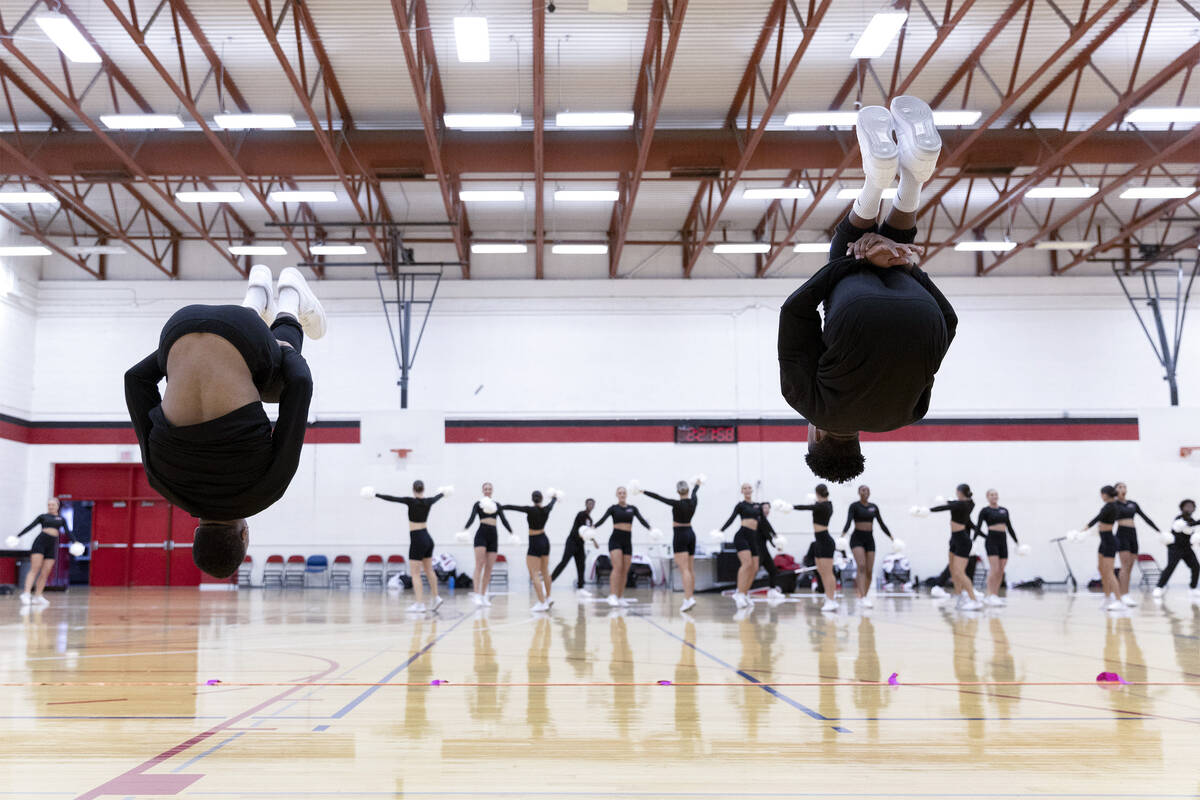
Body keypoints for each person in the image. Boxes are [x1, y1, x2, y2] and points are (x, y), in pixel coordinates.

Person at [777, 96, 955, 483]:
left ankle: (913, 177)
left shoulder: (909, 416)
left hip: (924, 316)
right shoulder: (811, 406)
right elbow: (796, 311)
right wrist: (849, 264)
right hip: (858, 312)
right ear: (817, 437)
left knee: (889, 249)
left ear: (857, 444)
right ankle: (877, 179)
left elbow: (949, 323)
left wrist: (912, 268)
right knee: (851, 255)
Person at [124, 265, 324, 579]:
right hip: (179, 326)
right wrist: (176, 355)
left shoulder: (265, 491)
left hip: (245, 334)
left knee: (275, 386)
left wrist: (287, 352)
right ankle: (257, 291)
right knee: (237, 358)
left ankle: (290, 298)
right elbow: (135, 379)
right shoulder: (159, 481)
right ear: (195, 535)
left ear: (244, 536)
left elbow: (300, 385)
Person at [367, 480, 450, 613]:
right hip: (428, 538)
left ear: (413, 490)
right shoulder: (429, 501)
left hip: (417, 539)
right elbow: (438, 496)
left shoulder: (410, 501)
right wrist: (443, 492)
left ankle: (419, 604)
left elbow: (392, 498)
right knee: (429, 570)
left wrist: (375, 494)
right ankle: (436, 597)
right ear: (423, 489)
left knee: (415, 573)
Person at [643, 477, 702, 612]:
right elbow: (695, 492)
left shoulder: (676, 503)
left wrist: (643, 491)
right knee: (690, 569)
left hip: (680, 534)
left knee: (684, 569)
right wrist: (697, 485)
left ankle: (688, 599)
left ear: (677, 491)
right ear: (687, 490)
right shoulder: (693, 501)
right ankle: (690, 597)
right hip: (691, 534)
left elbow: (658, 497)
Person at [919, 484, 981, 611]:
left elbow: (946, 506)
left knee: (959, 572)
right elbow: (951, 503)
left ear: (960, 492)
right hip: (954, 538)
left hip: (963, 540)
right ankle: (959, 598)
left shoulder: (964, 504)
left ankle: (974, 601)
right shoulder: (962, 503)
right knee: (953, 570)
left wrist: (929, 510)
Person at [11, 498, 78, 606]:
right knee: (35, 569)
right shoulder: (43, 517)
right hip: (39, 544)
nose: (51, 506)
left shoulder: (61, 519)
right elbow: (30, 527)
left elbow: (68, 532)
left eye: (53, 504)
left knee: (45, 572)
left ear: (58, 505)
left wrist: (75, 542)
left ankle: (38, 596)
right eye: (49, 505)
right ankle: (26, 594)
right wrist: (17, 536)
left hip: (51, 546)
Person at [592, 487, 650, 607]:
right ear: (617, 495)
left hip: (627, 541)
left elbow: (642, 520)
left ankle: (620, 596)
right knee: (617, 567)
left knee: (625, 570)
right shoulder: (613, 508)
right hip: (615, 540)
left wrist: (651, 528)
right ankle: (612, 595)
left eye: (624, 493)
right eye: (620, 493)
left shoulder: (632, 509)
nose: (622, 494)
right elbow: (602, 520)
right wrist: (593, 527)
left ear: (626, 495)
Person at [502, 490, 559, 612]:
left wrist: (501, 507)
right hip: (545, 540)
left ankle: (542, 602)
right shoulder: (546, 509)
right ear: (542, 499)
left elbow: (513, 507)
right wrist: (554, 498)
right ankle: (548, 598)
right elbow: (552, 503)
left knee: (534, 573)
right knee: (545, 572)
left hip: (535, 541)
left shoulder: (530, 509)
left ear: (533, 499)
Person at [842, 485, 895, 607]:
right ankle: (863, 596)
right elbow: (848, 522)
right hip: (857, 539)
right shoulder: (854, 506)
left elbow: (881, 524)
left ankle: (864, 595)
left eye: (867, 490)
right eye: (862, 490)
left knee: (869, 570)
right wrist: (842, 536)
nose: (865, 492)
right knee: (861, 566)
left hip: (869, 539)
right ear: (859, 492)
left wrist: (891, 537)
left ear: (870, 492)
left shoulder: (873, 507)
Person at [1074, 485, 1124, 612]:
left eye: (1102, 494)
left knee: (1109, 571)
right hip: (1103, 541)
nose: (1101, 496)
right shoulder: (1110, 505)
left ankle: (1118, 600)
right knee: (1101, 569)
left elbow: (1098, 518)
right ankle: (1107, 597)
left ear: (1106, 494)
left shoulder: (1111, 506)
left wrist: (1084, 529)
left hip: (1109, 541)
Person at [463, 482, 513, 606]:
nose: (487, 490)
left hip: (493, 536)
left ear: (492, 491)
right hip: (481, 535)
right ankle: (476, 594)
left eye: (489, 489)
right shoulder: (478, 504)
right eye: (485, 488)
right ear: (482, 490)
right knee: (479, 564)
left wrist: (512, 532)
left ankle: (483, 595)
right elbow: (472, 517)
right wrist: (465, 529)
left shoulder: (497, 505)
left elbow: (504, 520)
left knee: (489, 567)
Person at [974, 489, 1025, 607]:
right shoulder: (985, 511)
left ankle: (995, 595)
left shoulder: (1004, 510)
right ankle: (989, 594)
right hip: (991, 540)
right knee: (994, 569)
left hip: (1003, 540)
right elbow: (978, 527)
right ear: (987, 497)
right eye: (991, 495)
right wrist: (974, 540)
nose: (994, 496)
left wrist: (1017, 542)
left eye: (996, 494)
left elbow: (1010, 527)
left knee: (1001, 569)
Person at [793, 484, 838, 611]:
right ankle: (828, 596)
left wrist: (791, 507)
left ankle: (831, 599)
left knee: (828, 572)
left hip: (825, 541)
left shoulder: (825, 505)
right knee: (822, 571)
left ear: (817, 493)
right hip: (818, 540)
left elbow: (807, 507)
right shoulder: (821, 505)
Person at [1112, 482, 1159, 606]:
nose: (1123, 489)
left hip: (1133, 535)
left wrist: (1159, 531)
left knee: (1130, 567)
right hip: (1122, 535)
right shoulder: (1114, 504)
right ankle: (1122, 595)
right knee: (1124, 566)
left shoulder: (1133, 504)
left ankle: (1126, 594)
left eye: (1125, 487)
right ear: (1115, 490)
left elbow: (1145, 518)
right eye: (1120, 487)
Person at [718, 483, 763, 610]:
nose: (747, 490)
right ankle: (739, 593)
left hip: (753, 538)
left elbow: (764, 522)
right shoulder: (740, 505)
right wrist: (721, 530)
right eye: (744, 488)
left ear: (752, 490)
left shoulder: (757, 506)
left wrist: (775, 536)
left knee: (754, 568)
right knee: (747, 564)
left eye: (749, 488)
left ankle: (744, 592)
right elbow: (731, 518)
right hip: (742, 536)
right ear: (742, 491)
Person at [1153, 499, 1199, 598]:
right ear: (1182, 508)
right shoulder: (1179, 519)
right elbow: (1185, 526)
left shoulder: (1192, 520)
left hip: (1187, 549)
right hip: (1175, 548)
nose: (1189, 508)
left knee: (1196, 566)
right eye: (1187, 506)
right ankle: (1159, 587)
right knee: (1171, 567)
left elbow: (1192, 531)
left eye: (1191, 506)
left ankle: (1193, 588)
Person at [551, 498, 596, 594]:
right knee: (564, 562)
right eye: (589, 503)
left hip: (580, 544)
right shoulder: (581, 514)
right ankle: (549, 581)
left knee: (581, 566)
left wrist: (594, 541)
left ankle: (581, 588)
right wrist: (584, 534)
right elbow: (581, 529)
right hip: (572, 541)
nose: (590, 505)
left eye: (592, 504)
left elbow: (588, 533)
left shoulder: (590, 520)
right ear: (586, 504)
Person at [757, 502, 785, 601]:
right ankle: (743, 591)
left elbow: (771, 532)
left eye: (768, 508)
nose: (767, 510)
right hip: (757, 550)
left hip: (763, 549)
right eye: (764, 508)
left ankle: (772, 590)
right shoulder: (759, 519)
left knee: (773, 570)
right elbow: (767, 534)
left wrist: (777, 543)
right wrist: (775, 544)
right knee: (752, 571)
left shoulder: (764, 520)